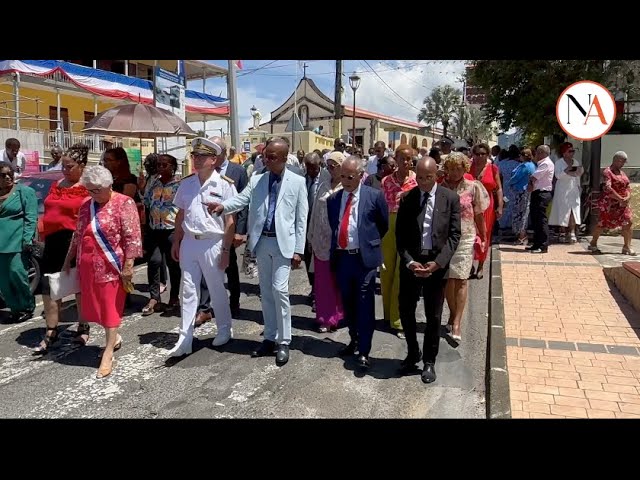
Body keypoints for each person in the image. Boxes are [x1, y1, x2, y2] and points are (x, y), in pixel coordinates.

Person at [209, 139, 308, 366]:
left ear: (284, 158)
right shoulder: (257, 179)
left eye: (272, 156)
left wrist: (298, 251)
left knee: (279, 290)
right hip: (262, 243)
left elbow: (301, 220)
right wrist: (223, 207)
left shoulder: (297, 182)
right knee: (265, 291)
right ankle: (270, 337)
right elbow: (241, 199)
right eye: (265, 156)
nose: (267, 160)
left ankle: (284, 341)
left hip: (284, 244)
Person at [63, 165, 142, 378]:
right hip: (87, 265)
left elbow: (131, 236)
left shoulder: (123, 203)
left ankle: (108, 352)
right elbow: (78, 234)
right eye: (89, 189)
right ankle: (113, 337)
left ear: (109, 186)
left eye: (96, 190)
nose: (92, 194)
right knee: (96, 307)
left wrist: (128, 267)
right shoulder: (85, 205)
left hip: (111, 266)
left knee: (109, 307)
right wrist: (67, 261)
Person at [168, 138, 236, 357]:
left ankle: (225, 329)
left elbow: (230, 221)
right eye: (194, 156)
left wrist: (226, 251)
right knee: (187, 290)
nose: (196, 160)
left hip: (213, 242)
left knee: (216, 288)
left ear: (213, 160)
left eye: (201, 156)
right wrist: (177, 241)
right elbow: (181, 214)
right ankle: (185, 336)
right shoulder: (187, 183)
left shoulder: (225, 184)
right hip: (189, 241)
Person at [396, 157, 461, 384]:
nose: (423, 182)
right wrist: (409, 262)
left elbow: (454, 235)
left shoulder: (450, 198)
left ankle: (429, 361)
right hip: (412, 264)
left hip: (436, 265)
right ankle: (413, 352)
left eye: (428, 177)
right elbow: (400, 238)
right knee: (406, 310)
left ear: (437, 175)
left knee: (433, 316)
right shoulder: (408, 198)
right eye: (420, 177)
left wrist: (439, 263)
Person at [327, 156, 389, 369]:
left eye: (350, 176)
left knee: (364, 304)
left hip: (364, 260)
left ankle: (364, 350)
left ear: (361, 176)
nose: (345, 180)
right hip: (343, 258)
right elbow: (334, 226)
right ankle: (353, 339)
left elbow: (383, 225)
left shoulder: (374, 196)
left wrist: (369, 245)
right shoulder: (333, 201)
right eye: (342, 176)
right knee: (348, 303)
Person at [35, 144, 91, 353]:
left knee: (78, 285)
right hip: (52, 240)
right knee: (48, 286)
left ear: (82, 166)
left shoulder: (87, 186)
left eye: (70, 166)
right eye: (63, 166)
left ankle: (83, 325)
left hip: (75, 240)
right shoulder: (57, 184)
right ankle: (51, 329)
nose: (65, 170)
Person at [195, 136, 249, 325]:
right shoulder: (202, 172)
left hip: (227, 228)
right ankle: (205, 308)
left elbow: (243, 203)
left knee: (230, 267)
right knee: (205, 270)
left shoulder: (238, 171)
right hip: (206, 230)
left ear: (223, 153)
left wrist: (240, 231)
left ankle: (233, 302)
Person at [440, 153, 488, 343]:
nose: (454, 172)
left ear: (464, 168)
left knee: (461, 278)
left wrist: (483, 237)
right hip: (443, 238)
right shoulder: (440, 187)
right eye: (451, 168)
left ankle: (457, 321)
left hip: (466, 236)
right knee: (446, 279)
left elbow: (478, 214)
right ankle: (452, 313)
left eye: (458, 168)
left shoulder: (472, 187)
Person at [380, 145, 418, 337]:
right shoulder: (386, 180)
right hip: (388, 228)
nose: (406, 162)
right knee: (386, 273)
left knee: (400, 276)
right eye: (402, 158)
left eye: (409, 158)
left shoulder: (416, 181)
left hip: (408, 228)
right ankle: (387, 315)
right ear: (395, 159)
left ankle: (398, 319)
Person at [307, 152, 344, 332]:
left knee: (338, 280)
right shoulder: (322, 185)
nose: (330, 169)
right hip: (321, 242)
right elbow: (314, 212)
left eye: (334, 165)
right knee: (322, 282)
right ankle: (324, 317)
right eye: (328, 165)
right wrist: (311, 235)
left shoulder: (347, 186)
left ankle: (337, 316)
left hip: (339, 243)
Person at [141, 154, 182, 316]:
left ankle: (174, 297)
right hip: (154, 229)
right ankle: (154, 298)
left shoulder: (180, 185)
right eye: (159, 165)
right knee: (154, 261)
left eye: (165, 165)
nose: (161, 168)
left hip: (171, 230)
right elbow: (147, 204)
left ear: (173, 167)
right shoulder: (153, 183)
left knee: (173, 265)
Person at [0, 161, 37, 322]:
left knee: (17, 274)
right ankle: (14, 309)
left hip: (16, 240)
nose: (8, 177)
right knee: (3, 280)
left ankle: (26, 307)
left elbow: (31, 217)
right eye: (2, 175)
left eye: (10, 173)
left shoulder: (24, 191)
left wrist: (27, 238)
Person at [589, 151, 635, 255]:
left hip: (622, 204)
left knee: (629, 221)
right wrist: (620, 199)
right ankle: (593, 242)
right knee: (602, 224)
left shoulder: (622, 173)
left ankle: (627, 247)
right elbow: (608, 188)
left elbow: (627, 186)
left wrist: (627, 197)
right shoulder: (607, 172)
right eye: (622, 161)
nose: (623, 164)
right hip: (610, 204)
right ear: (617, 160)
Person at [470, 143, 503, 279]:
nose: (480, 156)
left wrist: (500, 206)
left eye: (483, 154)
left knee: (485, 235)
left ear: (488, 155)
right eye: (477, 154)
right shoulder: (468, 167)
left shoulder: (493, 168)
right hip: (470, 205)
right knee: (470, 234)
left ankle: (481, 266)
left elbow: (499, 189)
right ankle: (469, 263)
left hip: (487, 206)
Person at [549, 142, 583, 244]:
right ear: (564, 153)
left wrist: (578, 183)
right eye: (570, 151)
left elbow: (577, 176)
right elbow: (558, 176)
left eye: (573, 151)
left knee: (574, 210)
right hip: (563, 189)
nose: (572, 153)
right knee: (563, 210)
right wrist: (567, 170)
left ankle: (572, 232)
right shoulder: (559, 163)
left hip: (573, 189)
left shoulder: (575, 162)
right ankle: (562, 231)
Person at [527, 145, 554, 254]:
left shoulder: (546, 163)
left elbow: (534, 177)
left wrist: (530, 184)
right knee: (535, 220)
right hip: (537, 193)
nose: (536, 155)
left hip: (542, 193)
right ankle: (536, 243)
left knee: (541, 220)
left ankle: (543, 246)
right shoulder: (541, 163)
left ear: (543, 153)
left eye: (538, 152)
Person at [509, 148, 536, 245]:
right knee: (523, 213)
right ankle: (522, 235)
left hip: (521, 192)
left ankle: (522, 236)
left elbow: (516, 177)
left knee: (520, 214)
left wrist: (509, 182)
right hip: (525, 192)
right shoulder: (532, 165)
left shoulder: (525, 166)